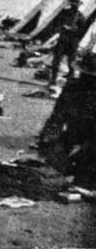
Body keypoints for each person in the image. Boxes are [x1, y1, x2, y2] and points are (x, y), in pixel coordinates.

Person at [38, 52, 96, 187]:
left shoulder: (72, 87)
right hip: (76, 136)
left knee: (79, 174)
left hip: (86, 139)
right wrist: (48, 140)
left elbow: (57, 118)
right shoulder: (72, 88)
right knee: (56, 167)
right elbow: (57, 117)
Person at [50, 0, 86, 86]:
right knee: (56, 61)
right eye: (74, 4)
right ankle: (53, 79)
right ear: (71, 4)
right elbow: (55, 24)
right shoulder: (64, 13)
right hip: (63, 39)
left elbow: (83, 30)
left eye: (77, 4)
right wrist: (62, 28)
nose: (76, 6)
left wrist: (74, 30)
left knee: (71, 63)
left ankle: (69, 82)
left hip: (73, 41)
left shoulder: (80, 16)